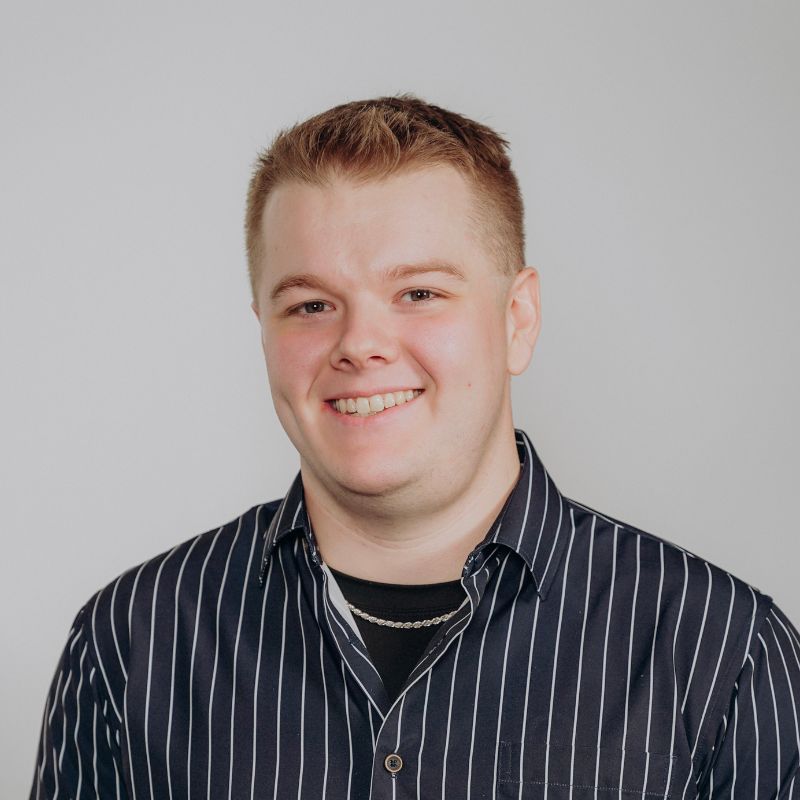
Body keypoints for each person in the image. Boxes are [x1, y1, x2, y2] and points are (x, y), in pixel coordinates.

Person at [30, 95, 800, 800]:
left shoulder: (726, 655)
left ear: (517, 319)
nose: (360, 344)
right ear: (262, 327)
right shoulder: (132, 641)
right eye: (310, 304)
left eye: (420, 293)